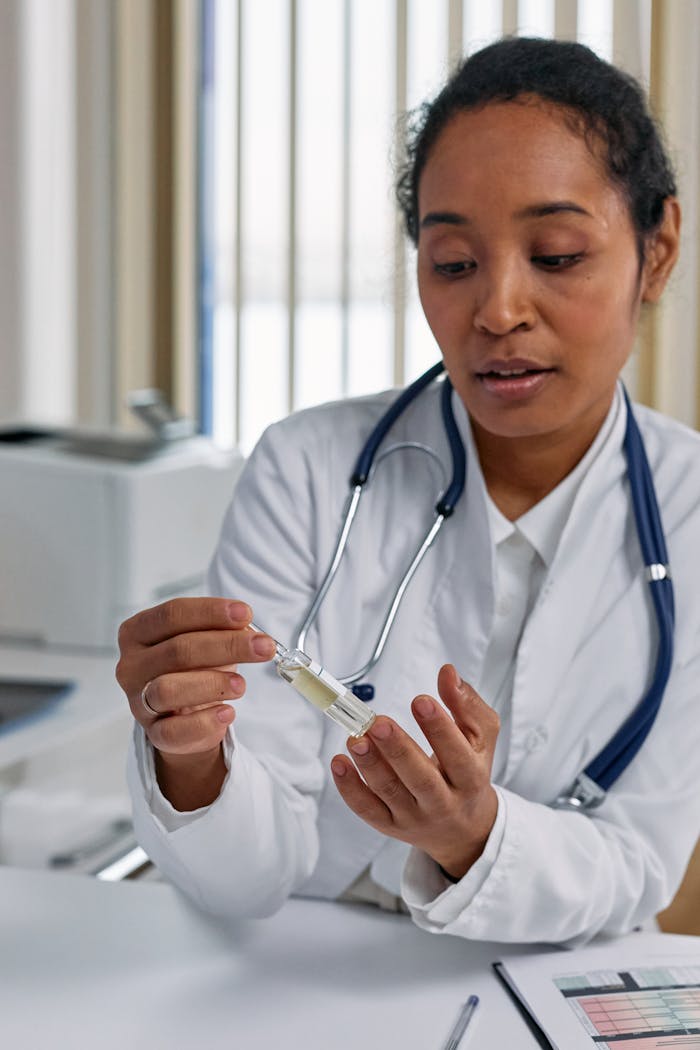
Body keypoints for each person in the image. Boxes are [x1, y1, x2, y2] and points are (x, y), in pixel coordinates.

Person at [117, 37, 700, 946]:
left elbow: (637, 865)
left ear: (656, 250)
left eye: (554, 254)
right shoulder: (308, 468)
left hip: (539, 982)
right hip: (295, 971)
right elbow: (244, 875)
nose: (499, 310)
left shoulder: (692, 509)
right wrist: (191, 759)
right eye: (455, 262)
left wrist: (476, 836)